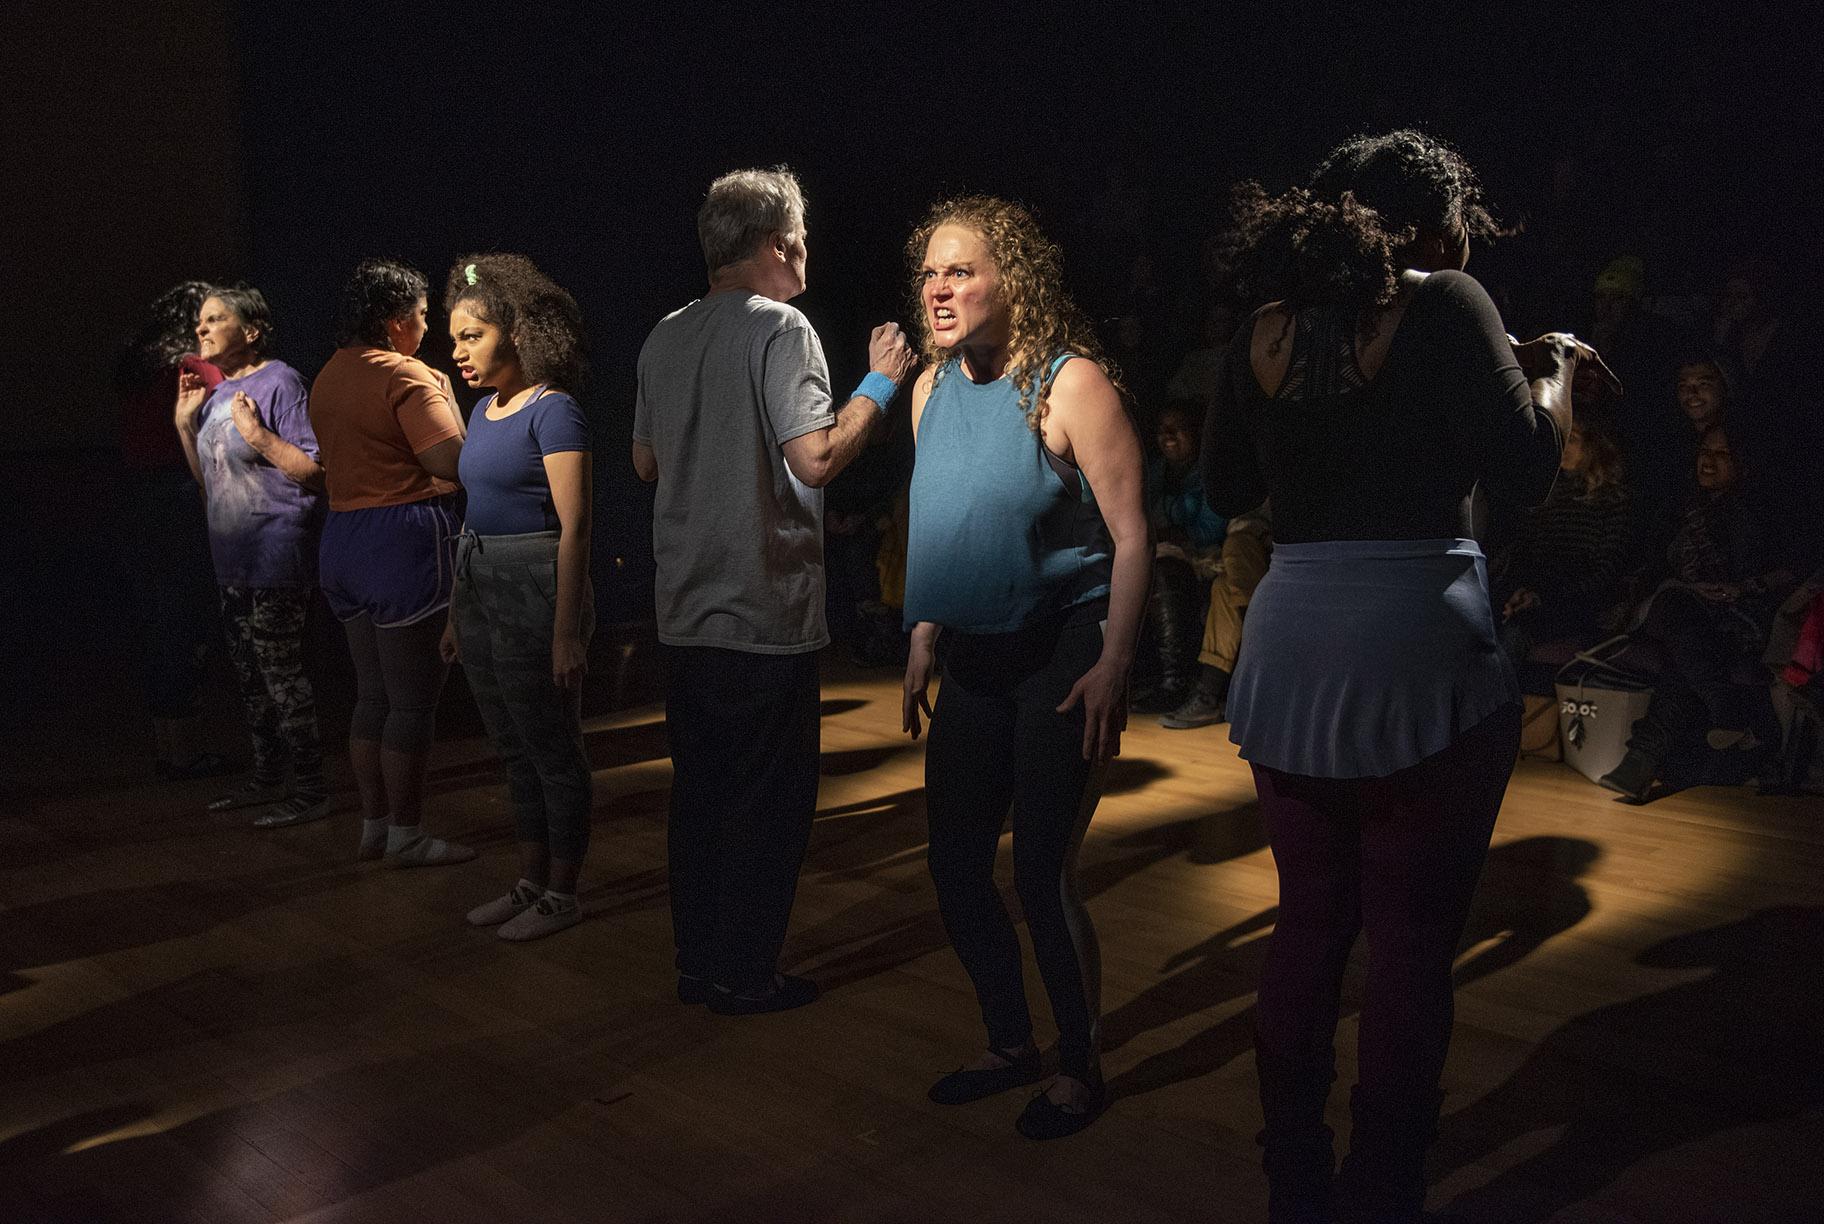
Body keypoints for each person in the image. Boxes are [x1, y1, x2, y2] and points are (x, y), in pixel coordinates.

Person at [1203, 131, 1614, 1222]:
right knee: (1412, 944)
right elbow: (1529, 470)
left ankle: (1293, 1180)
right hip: (1416, 638)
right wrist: (1555, 368)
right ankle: (1383, 1189)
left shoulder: (1267, 329)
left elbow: (1227, 482)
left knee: (1308, 925)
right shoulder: (1447, 302)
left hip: (1292, 637)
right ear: (1435, 222)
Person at [633, 167, 916, 1010]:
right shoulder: (781, 329)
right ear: (778, 243)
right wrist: (879, 385)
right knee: (767, 806)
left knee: (701, 799)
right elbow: (817, 457)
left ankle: (699, 963)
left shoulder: (664, 333)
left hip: (685, 614)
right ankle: (745, 972)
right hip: (761, 612)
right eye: (801, 239)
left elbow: (645, 463)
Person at [899, 195, 1148, 1140]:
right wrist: (924, 627)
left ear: (1015, 281)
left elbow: (1131, 537)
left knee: (1042, 875)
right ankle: (1012, 1044)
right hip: (972, 654)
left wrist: (1115, 662)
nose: (940, 289)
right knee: (957, 868)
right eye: (930, 273)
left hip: (1063, 652)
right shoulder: (928, 387)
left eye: (960, 270)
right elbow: (945, 514)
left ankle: (1081, 1069)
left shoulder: (1068, 383)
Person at [440, 253, 594, 936]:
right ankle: (530, 881)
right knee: (512, 746)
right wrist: (454, 611)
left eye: (472, 335)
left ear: (517, 332)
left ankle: (563, 891)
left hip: (535, 588)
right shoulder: (482, 410)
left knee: (550, 745)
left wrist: (566, 631)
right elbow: (470, 517)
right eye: (455, 339)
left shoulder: (554, 412)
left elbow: (577, 527)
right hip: (480, 586)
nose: (458, 352)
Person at [309, 258, 471, 868]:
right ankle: (407, 832)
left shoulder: (327, 375)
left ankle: (374, 825)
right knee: (411, 702)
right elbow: (452, 464)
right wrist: (447, 396)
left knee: (370, 693)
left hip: (343, 536)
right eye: (422, 317)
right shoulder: (403, 374)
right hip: (401, 538)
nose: (427, 330)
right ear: (393, 319)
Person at [173, 284, 330, 828]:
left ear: (252, 330)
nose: (202, 329)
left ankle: (311, 789)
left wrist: (260, 436)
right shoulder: (216, 395)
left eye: (215, 319)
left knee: (282, 674)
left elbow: (315, 472)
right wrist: (184, 425)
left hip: (276, 555)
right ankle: (267, 780)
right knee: (249, 678)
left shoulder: (282, 381)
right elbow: (209, 485)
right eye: (201, 321)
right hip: (231, 560)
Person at [1599, 423, 1797, 800]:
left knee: (1685, 656)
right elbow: (1654, 563)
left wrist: (1742, 588)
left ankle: (1642, 759)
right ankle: (1728, 712)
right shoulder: (1680, 507)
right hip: (1683, 609)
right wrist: (1689, 586)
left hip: (1738, 617)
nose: (1709, 462)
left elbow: (1788, 568)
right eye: (1705, 452)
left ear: (1741, 462)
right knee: (1674, 607)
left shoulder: (1759, 511)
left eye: (1721, 455)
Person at [116, 281, 231, 780]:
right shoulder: (196, 369)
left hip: (136, 497)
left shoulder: (138, 369)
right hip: (183, 495)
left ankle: (171, 749)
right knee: (185, 619)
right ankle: (186, 753)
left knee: (159, 620)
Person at [1491, 421, 1634, 668]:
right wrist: (1520, 592)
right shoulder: (1546, 495)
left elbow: (1606, 572)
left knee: (1513, 637)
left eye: (1573, 438)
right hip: (1537, 598)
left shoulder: (1612, 501)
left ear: (1593, 445)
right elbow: (1526, 555)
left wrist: (1545, 597)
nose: (1563, 445)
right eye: (1559, 437)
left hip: (1579, 604)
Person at [1132, 397, 1227, 713]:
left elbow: (1208, 530)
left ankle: (1175, 679)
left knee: (1162, 570)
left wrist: (1170, 515)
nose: (1168, 436)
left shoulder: (1211, 470)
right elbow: (1139, 518)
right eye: (1162, 429)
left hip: (1205, 556)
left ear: (1197, 432)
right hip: (1167, 550)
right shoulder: (1155, 470)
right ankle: (1146, 674)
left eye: (1178, 429)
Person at [1160, 500, 1273, 729]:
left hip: (1286, 560)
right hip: (1256, 563)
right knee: (1223, 585)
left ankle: (1209, 694)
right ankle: (1208, 695)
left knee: (1237, 548)